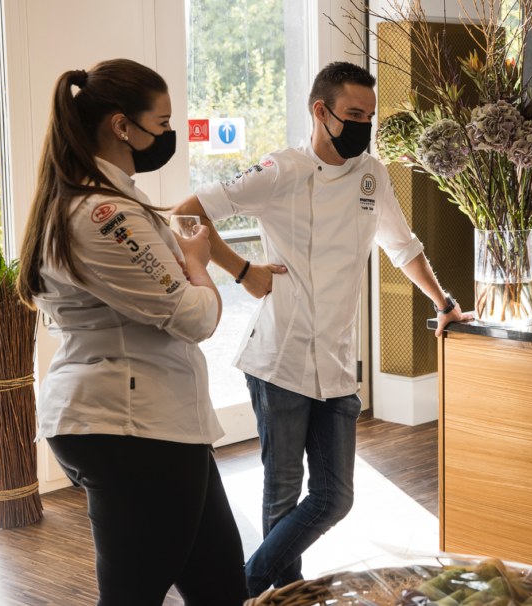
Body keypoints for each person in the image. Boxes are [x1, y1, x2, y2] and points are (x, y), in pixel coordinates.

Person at [172, 61, 470, 595]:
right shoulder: (281, 170)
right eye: (354, 114)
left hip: (335, 361)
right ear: (321, 111)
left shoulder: (371, 174)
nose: (363, 126)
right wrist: (242, 272)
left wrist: (444, 301)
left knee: (335, 496)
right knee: (282, 494)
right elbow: (187, 214)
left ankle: (249, 585)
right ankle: (282, 594)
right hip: (279, 359)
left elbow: (402, 247)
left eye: (370, 117)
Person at [16, 59, 247, 606]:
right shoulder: (103, 216)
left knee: (221, 589)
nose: (167, 135)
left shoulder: (93, 202)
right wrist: (197, 262)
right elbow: (196, 317)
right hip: (133, 430)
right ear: (123, 126)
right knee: (133, 597)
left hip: (155, 426)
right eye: (162, 123)